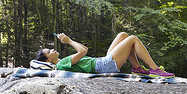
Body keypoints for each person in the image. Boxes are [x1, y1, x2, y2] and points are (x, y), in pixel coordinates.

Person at [34, 32, 174, 78]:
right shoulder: (60, 64)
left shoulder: (63, 62)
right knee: (132, 39)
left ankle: (136, 67)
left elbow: (84, 48)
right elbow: (83, 52)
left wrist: (69, 40)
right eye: (49, 52)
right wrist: (69, 41)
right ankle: (156, 70)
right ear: (48, 60)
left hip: (101, 62)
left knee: (123, 35)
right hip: (103, 66)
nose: (52, 50)